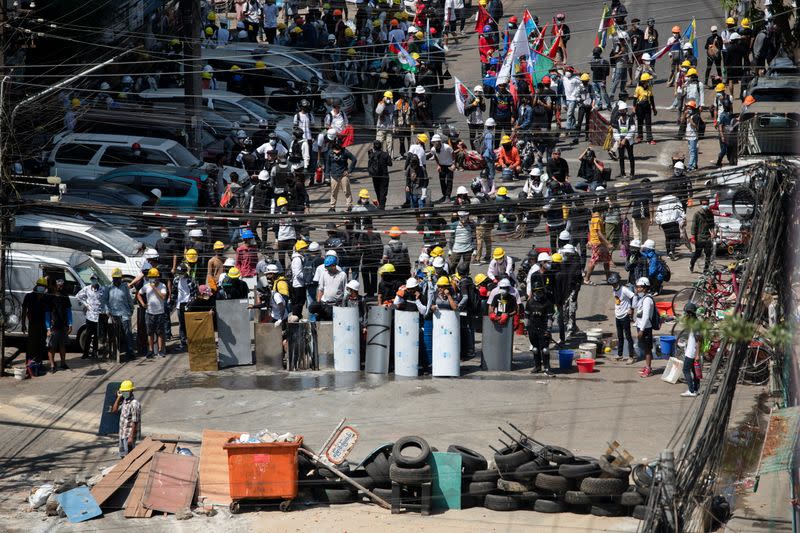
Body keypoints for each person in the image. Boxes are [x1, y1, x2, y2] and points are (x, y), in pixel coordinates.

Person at [103, 268, 135, 359]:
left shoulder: (124, 287)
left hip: (124, 314)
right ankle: (115, 353)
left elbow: (129, 299)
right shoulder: (108, 288)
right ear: (112, 278)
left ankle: (130, 352)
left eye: (118, 278)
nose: (116, 280)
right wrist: (107, 311)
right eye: (115, 278)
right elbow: (105, 301)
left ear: (121, 278)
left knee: (127, 333)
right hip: (113, 315)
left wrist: (131, 310)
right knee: (114, 335)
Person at [137, 268, 167, 358]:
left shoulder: (162, 286)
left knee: (160, 333)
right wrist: (143, 304)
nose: (152, 279)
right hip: (149, 313)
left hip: (160, 313)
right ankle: (150, 350)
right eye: (151, 277)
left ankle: (160, 350)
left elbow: (163, 297)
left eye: (154, 277)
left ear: (158, 277)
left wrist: (154, 288)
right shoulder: (146, 286)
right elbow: (138, 294)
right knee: (150, 333)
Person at [526, 281, 553, 376]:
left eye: (540, 291)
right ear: (533, 292)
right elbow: (527, 317)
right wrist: (527, 328)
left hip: (543, 328)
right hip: (532, 328)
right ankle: (537, 367)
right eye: (536, 291)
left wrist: (548, 330)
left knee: (545, 349)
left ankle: (547, 368)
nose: (538, 293)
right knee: (535, 349)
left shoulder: (547, 303)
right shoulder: (529, 303)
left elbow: (550, 318)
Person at [21, 277, 50, 367]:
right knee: (31, 345)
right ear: (36, 286)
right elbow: (24, 310)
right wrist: (23, 324)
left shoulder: (46, 298)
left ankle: (39, 363)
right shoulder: (29, 296)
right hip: (33, 324)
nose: (42, 287)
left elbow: (48, 313)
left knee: (41, 344)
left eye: (43, 286)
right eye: (40, 285)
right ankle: (29, 364)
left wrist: (49, 327)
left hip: (43, 325)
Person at [46, 278, 72, 373]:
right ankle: (52, 366)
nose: (60, 287)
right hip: (53, 326)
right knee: (51, 346)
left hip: (63, 325)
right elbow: (47, 313)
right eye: (58, 285)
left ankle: (63, 363)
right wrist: (48, 327)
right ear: (55, 286)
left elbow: (69, 311)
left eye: (62, 285)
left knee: (62, 345)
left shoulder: (65, 296)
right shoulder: (50, 296)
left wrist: (70, 324)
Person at [608, 273, 635, 363]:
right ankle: (620, 354)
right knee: (620, 336)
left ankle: (631, 356)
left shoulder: (624, 290)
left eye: (615, 283)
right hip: (617, 315)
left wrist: (631, 308)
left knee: (628, 336)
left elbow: (633, 296)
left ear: (618, 282)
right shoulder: (613, 289)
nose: (613, 285)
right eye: (612, 284)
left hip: (625, 316)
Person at [76, 274, 105, 359]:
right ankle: (85, 353)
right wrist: (86, 304)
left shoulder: (102, 290)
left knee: (97, 336)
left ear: (97, 280)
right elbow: (78, 296)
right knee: (88, 335)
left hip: (99, 316)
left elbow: (105, 300)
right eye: (92, 279)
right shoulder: (87, 288)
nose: (93, 281)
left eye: (95, 279)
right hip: (90, 316)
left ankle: (95, 353)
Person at [310, 255, 347, 320]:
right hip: (325, 303)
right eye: (326, 268)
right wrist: (318, 303)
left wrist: (344, 305)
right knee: (313, 307)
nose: (327, 269)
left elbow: (345, 290)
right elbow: (320, 289)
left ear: (334, 265)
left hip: (337, 305)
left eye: (329, 267)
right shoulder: (324, 274)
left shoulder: (342, 275)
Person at [170, 264, 197, 352]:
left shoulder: (191, 281)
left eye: (181, 273)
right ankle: (183, 343)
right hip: (179, 305)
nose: (180, 274)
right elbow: (174, 293)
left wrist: (191, 304)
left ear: (185, 272)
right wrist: (171, 304)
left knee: (190, 324)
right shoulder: (176, 280)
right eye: (179, 273)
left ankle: (192, 342)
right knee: (182, 325)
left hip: (189, 305)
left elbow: (194, 294)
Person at [583, 205, 612, 285]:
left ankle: (608, 278)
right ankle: (586, 279)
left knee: (606, 260)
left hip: (600, 243)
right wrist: (607, 243)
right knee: (594, 261)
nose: (606, 212)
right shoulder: (596, 218)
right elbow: (598, 233)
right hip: (597, 243)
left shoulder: (597, 217)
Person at [633, 277, 655, 377]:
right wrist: (635, 295)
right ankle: (647, 367)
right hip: (641, 327)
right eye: (637, 287)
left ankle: (649, 369)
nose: (637, 289)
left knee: (647, 349)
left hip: (646, 328)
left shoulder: (647, 300)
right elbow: (634, 306)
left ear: (645, 288)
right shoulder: (643, 298)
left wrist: (641, 330)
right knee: (645, 348)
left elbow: (646, 316)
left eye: (639, 287)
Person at [112, 380, 141, 457]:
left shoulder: (134, 404)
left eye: (126, 391)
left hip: (128, 435)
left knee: (130, 457)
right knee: (123, 455)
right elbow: (114, 410)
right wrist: (119, 397)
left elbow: (135, 421)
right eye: (123, 391)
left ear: (131, 390)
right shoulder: (125, 401)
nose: (124, 393)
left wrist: (131, 438)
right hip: (122, 434)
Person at [326, 141, 357, 211]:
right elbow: (327, 164)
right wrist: (327, 176)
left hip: (343, 175)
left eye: (338, 150)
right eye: (335, 150)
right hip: (334, 175)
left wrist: (349, 171)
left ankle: (349, 206)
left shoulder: (345, 152)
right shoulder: (329, 153)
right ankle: (332, 207)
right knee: (333, 192)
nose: (336, 152)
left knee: (347, 191)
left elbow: (354, 159)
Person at [654, 194, 685, 260]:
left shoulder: (662, 201)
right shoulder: (675, 199)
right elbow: (680, 210)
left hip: (664, 223)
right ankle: (672, 252)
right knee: (674, 237)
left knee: (668, 237)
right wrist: (683, 219)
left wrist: (659, 222)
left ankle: (668, 253)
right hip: (673, 221)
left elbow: (658, 213)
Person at [690, 197, 716, 273]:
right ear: (701, 204)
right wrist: (693, 237)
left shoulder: (710, 214)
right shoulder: (697, 214)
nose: (705, 205)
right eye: (704, 204)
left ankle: (706, 270)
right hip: (699, 238)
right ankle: (692, 264)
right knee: (697, 253)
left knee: (708, 254)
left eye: (706, 204)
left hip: (708, 238)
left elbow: (711, 225)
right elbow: (693, 226)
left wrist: (713, 233)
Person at [680, 302, 701, 397]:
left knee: (685, 370)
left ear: (689, 313)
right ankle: (696, 389)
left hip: (692, 352)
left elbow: (699, 340)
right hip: (691, 351)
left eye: (686, 313)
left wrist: (697, 355)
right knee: (694, 370)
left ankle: (691, 390)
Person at [612, 101, 636, 178]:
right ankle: (622, 173)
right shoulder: (617, 119)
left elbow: (632, 130)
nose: (622, 112)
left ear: (626, 110)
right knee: (621, 157)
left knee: (630, 156)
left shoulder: (630, 119)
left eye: (623, 111)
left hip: (629, 140)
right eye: (620, 111)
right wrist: (618, 140)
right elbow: (615, 131)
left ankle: (632, 173)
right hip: (620, 140)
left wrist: (625, 139)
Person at [430, 134, 456, 203]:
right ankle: (444, 195)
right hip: (441, 165)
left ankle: (448, 196)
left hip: (449, 165)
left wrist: (454, 164)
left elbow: (453, 154)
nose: (434, 144)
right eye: (433, 143)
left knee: (449, 181)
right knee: (442, 181)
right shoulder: (433, 149)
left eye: (435, 142)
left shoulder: (447, 147)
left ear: (439, 142)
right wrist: (438, 164)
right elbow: (435, 156)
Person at [367, 140, 392, 209]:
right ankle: (382, 206)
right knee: (383, 191)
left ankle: (380, 205)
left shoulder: (372, 154)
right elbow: (390, 164)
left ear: (374, 147)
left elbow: (370, 164)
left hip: (375, 176)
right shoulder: (385, 154)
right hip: (384, 175)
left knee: (377, 190)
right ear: (381, 146)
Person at [633, 73, 656, 144]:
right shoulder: (638, 89)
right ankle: (640, 137)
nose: (649, 82)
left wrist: (654, 108)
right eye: (648, 80)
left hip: (647, 107)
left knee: (648, 123)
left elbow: (651, 99)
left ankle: (649, 139)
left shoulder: (649, 88)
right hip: (639, 108)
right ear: (644, 81)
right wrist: (634, 109)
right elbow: (634, 100)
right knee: (640, 123)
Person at [289, 240, 309, 317]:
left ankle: (297, 316)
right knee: (298, 303)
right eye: (304, 248)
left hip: (300, 284)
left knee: (300, 303)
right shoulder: (297, 259)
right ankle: (296, 317)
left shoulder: (300, 258)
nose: (306, 249)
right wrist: (306, 278)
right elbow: (298, 273)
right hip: (298, 285)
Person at [684, 100, 701, 171]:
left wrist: (689, 119)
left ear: (693, 108)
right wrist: (684, 115)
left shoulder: (696, 116)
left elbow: (695, 126)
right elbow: (682, 121)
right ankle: (694, 165)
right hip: (688, 136)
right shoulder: (689, 115)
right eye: (687, 108)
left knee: (692, 152)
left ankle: (690, 166)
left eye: (689, 108)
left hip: (693, 137)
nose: (688, 109)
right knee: (693, 151)